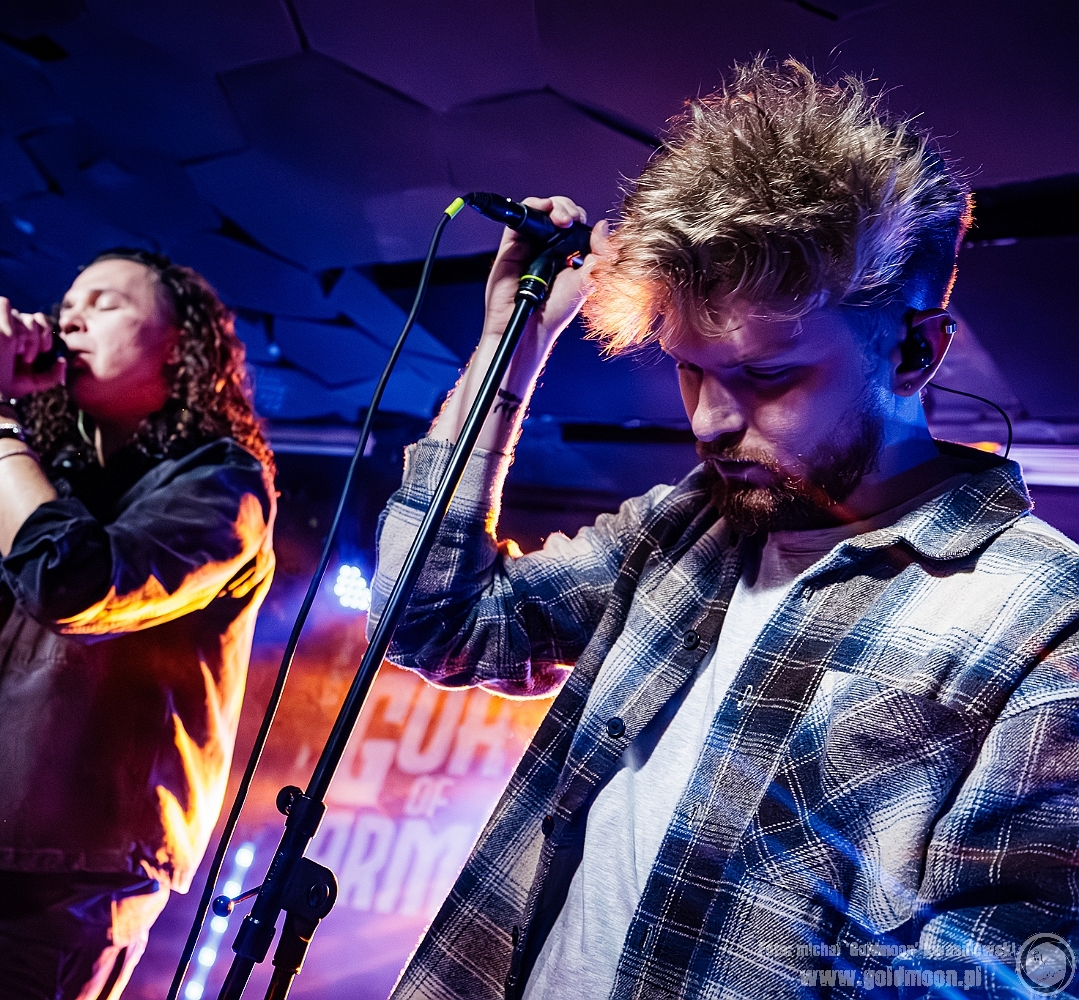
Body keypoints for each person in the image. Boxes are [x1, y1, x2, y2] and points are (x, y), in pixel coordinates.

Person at [371, 59, 1079, 1000]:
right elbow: (432, 619)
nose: (707, 421)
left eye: (768, 375)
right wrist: (514, 343)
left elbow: (1007, 975)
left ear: (915, 350)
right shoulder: (687, 525)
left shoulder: (1046, 622)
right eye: (688, 367)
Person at [0, 248, 276, 1000]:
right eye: (69, 302)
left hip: (68, 887)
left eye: (106, 304)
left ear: (180, 346)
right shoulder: (50, 471)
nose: (70, 318)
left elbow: (71, 585)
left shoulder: (223, 485)